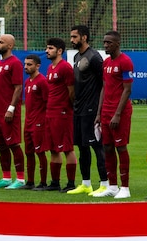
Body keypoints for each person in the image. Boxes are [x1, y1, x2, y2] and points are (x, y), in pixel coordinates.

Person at [92, 31, 134, 199]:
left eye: (109, 42)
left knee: (120, 147)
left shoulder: (125, 62)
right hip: (106, 111)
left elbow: (127, 89)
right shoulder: (106, 62)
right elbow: (104, 87)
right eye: (104, 42)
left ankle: (125, 188)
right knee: (107, 147)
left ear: (117, 43)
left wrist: (117, 114)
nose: (105, 45)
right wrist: (99, 112)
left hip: (120, 112)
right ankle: (113, 186)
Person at [68, 25, 107, 195]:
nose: (72, 40)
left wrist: (99, 110)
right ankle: (86, 183)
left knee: (96, 146)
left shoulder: (95, 57)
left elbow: (104, 83)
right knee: (82, 147)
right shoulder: (77, 56)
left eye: (75, 37)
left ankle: (105, 183)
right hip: (78, 108)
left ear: (84, 37)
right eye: (71, 37)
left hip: (91, 109)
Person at [0, 34, 26, 189]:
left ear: (10, 46)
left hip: (8, 112)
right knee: (1, 145)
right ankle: (6, 177)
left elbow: (18, 88)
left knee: (13, 145)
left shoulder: (15, 63)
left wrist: (11, 108)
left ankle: (21, 179)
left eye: (1, 42)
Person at [43, 37, 77, 192]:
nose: (46, 51)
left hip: (62, 113)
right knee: (53, 148)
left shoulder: (65, 67)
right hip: (50, 112)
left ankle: (70, 183)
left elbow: (71, 91)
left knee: (67, 148)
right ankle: (55, 182)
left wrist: (66, 108)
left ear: (59, 51)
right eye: (47, 48)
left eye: (50, 48)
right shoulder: (50, 67)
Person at [22, 54, 51, 190]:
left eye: (29, 64)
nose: (26, 67)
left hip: (39, 123)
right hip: (28, 122)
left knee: (40, 152)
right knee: (28, 152)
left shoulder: (42, 81)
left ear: (38, 66)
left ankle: (43, 182)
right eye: (25, 64)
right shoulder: (28, 82)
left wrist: (44, 121)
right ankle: (30, 181)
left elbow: (47, 103)